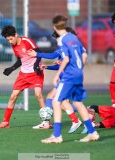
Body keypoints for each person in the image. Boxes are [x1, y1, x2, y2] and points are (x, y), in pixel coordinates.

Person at [40, 15, 99, 143]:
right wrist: (79, 68)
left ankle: (57, 135)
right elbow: (84, 54)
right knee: (77, 102)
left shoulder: (62, 39)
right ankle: (92, 132)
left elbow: (65, 59)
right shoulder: (75, 38)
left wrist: (57, 75)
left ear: (54, 27)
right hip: (78, 74)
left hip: (69, 76)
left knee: (56, 101)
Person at [29, 28, 87, 133]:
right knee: (61, 102)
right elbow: (62, 65)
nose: (56, 40)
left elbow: (53, 56)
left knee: (56, 100)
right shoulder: (73, 46)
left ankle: (76, 121)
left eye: (57, 38)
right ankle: (84, 119)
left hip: (67, 79)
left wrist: (37, 54)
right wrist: (47, 66)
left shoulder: (65, 46)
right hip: (69, 78)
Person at [0, 25, 51, 129]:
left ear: (16, 35)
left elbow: (39, 53)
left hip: (35, 72)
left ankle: (46, 122)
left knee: (38, 95)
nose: (10, 42)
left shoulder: (27, 41)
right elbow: (20, 60)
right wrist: (11, 69)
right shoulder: (13, 45)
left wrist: (36, 65)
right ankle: (5, 122)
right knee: (13, 96)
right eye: (8, 40)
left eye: (11, 39)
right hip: (24, 74)